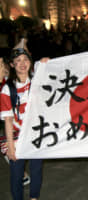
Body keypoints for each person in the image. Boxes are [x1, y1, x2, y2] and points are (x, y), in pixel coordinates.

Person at [0, 43, 49, 200]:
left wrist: (48, 65)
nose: (22, 64)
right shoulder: (8, 89)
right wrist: (11, 147)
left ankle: (34, 198)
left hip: (36, 134)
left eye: (25, 59)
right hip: (16, 137)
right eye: (18, 61)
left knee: (36, 171)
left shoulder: (38, 80)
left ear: (30, 61)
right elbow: (8, 120)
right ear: (12, 65)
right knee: (16, 175)